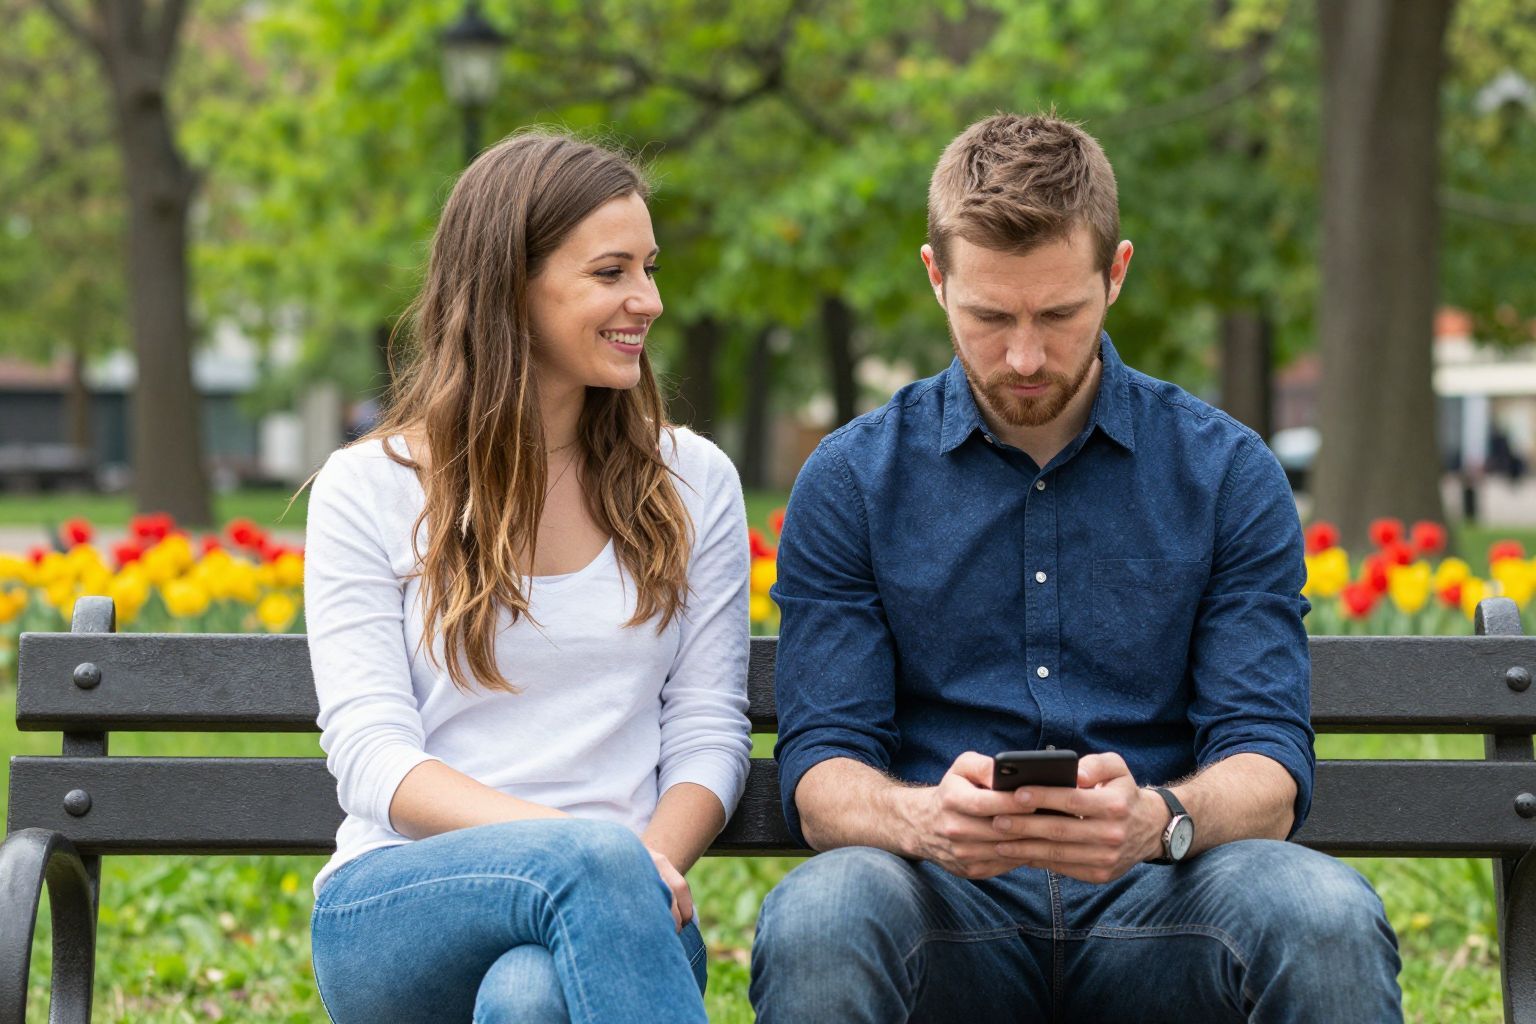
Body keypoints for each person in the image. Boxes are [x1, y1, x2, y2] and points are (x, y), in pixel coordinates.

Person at [751, 113, 1402, 1023]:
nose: (1024, 356)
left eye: (1059, 315)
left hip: (1166, 900)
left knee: (1323, 914)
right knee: (824, 915)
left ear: (1116, 273)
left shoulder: (1224, 472)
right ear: (936, 277)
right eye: (989, 316)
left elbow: (1267, 759)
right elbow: (822, 769)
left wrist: (1157, 818)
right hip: (941, 904)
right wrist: (922, 820)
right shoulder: (855, 479)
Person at [303, 131, 752, 1024]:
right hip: (400, 905)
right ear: (509, 286)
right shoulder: (370, 487)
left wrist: (642, 866)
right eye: (611, 272)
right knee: (589, 866)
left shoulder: (693, 482)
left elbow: (708, 729)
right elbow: (374, 759)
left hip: (631, 911)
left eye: (650, 269)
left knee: (531, 996)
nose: (649, 300)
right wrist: (589, 851)